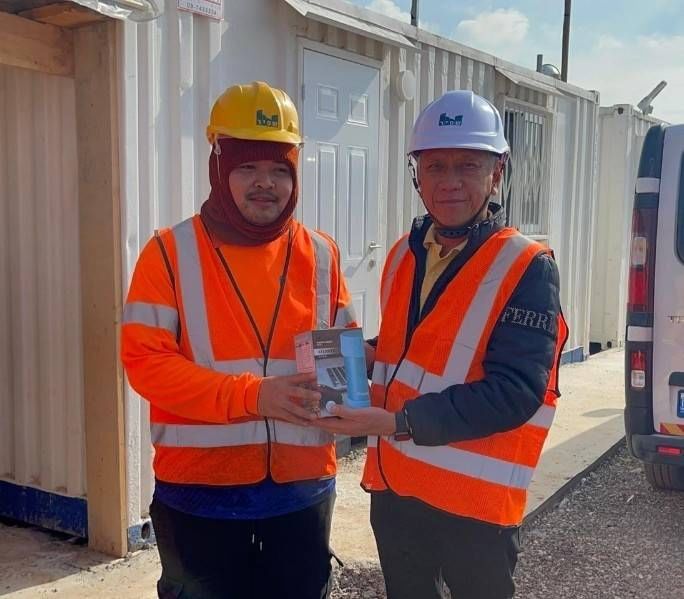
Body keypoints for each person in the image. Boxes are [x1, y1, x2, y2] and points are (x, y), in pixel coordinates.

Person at [318, 90, 569, 599]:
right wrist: (359, 354)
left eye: (467, 165)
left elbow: (515, 391)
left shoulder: (526, 266)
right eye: (435, 166)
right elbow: (411, 348)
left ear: (497, 172)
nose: (449, 182)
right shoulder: (404, 254)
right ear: (417, 174)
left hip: (474, 508)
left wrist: (396, 422)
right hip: (398, 494)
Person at [121, 81, 357, 599]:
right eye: (247, 166)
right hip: (200, 498)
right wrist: (253, 395)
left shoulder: (321, 254)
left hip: (302, 495)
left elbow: (340, 366)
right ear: (218, 166)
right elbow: (146, 365)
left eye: (279, 169)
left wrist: (365, 395)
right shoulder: (169, 253)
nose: (264, 183)